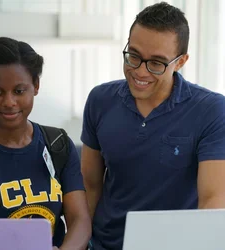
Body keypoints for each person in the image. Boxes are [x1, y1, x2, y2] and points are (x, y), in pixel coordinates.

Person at [81, 2, 225, 250]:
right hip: (105, 244)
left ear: (180, 62)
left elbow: (213, 200)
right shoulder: (99, 100)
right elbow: (90, 184)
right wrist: (79, 243)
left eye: (157, 63)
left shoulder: (211, 110)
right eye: (134, 56)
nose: (140, 71)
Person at [0, 37, 91, 250]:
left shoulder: (58, 144)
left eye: (19, 91)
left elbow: (79, 220)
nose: (9, 102)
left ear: (36, 86)